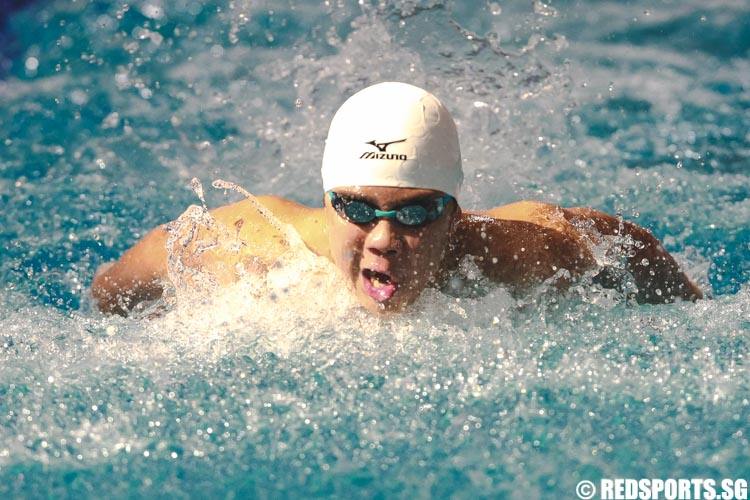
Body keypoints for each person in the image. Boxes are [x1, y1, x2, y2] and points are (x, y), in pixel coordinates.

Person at [92, 82, 702, 315]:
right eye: (357, 209)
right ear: (327, 200)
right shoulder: (243, 248)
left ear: (454, 215)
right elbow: (115, 286)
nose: (382, 239)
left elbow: (632, 249)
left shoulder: (524, 251)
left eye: (413, 213)